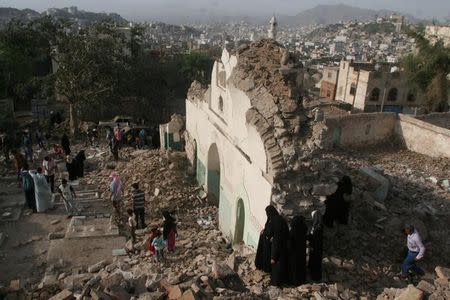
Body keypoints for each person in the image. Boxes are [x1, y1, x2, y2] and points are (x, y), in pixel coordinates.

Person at [267, 205, 290, 286]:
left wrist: (273, 257)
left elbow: (275, 243)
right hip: (284, 246)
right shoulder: (281, 219)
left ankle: (275, 283)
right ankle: (282, 281)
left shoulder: (273, 221)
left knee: (276, 266)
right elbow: (287, 233)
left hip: (277, 248)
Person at [255, 206, 277, 273]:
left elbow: (273, 231)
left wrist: (268, 236)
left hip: (269, 242)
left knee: (267, 256)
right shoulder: (270, 218)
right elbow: (267, 227)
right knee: (263, 254)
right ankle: (262, 266)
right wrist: (264, 231)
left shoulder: (275, 219)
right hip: (265, 240)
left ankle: (267, 269)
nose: (267, 214)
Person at [289, 215, 308, 286]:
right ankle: (302, 280)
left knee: (294, 267)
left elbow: (290, 242)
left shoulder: (293, 230)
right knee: (301, 265)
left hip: (294, 252)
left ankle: (294, 282)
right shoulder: (304, 228)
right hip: (302, 250)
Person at [308, 210, 324, 281]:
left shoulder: (318, 227)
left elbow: (316, 238)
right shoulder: (316, 225)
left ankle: (316, 277)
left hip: (316, 247)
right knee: (314, 261)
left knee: (316, 262)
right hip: (314, 247)